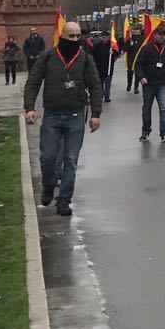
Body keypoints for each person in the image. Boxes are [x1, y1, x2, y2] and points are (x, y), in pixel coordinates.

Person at [23, 19, 103, 217]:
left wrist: (96, 114)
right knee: (48, 157)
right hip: (52, 115)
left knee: (70, 159)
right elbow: (33, 82)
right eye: (72, 36)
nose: (75, 39)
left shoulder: (85, 58)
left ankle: (64, 199)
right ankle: (49, 185)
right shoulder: (48, 57)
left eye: (78, 36)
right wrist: (30, 108)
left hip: (75, 115)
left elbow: (95, 86)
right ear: (63, 37)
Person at [137, 26, 165, 143]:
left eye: (163, 35)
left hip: (162, 83)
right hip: (148, 83)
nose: (161, 37)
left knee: (164, 109)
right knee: (147, 108)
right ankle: (146, 131)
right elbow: (139, 64)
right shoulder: (146, 49)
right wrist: (141, 77)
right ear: (154, 36)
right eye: (159, 35)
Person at [88, 31, 113, 105]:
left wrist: (113, 53)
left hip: (108, 67)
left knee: (108, 83)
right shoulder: (97, 45)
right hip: (100, 67)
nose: (104, 39)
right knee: (100, 83)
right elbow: (93, 54)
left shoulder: (111, 45)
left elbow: (116, 54)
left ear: (108, 38)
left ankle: (107, 96)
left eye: (106, 37)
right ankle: (101, 95)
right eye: (103, 37)